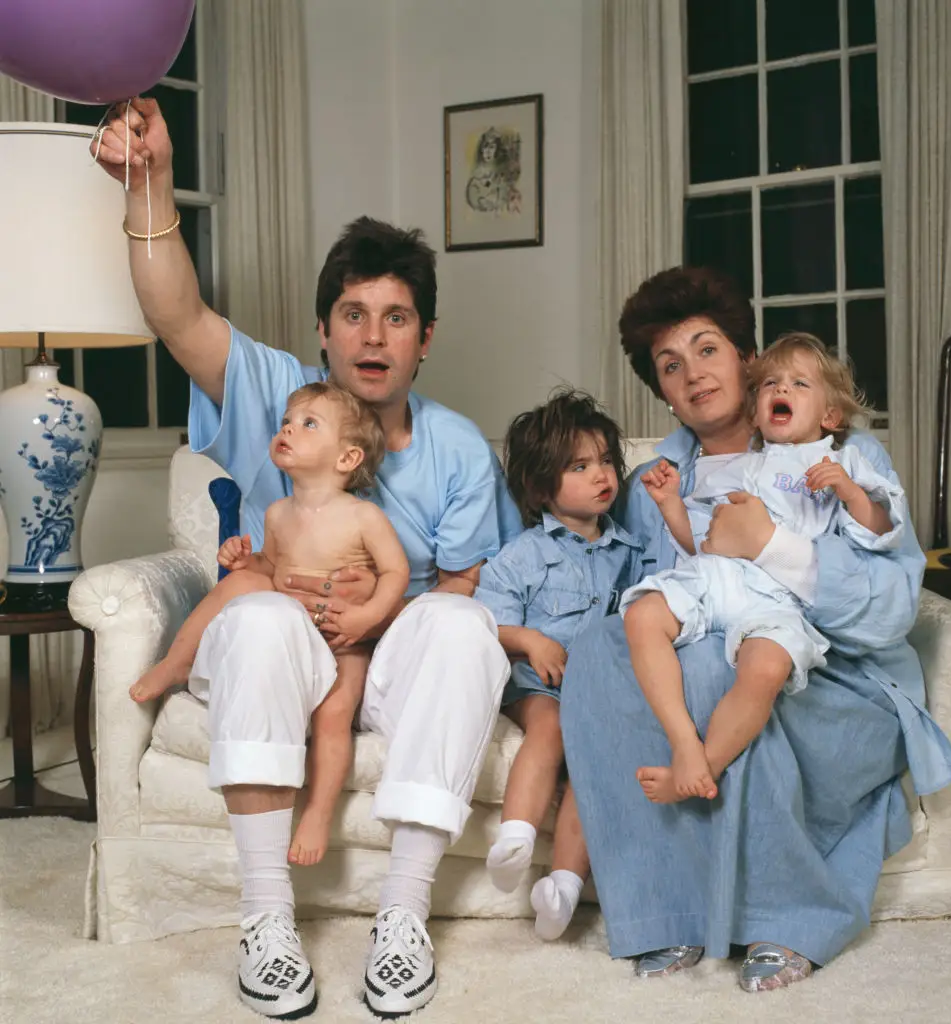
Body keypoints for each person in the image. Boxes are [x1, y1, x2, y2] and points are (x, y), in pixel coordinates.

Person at [93, 98, 522, 1020]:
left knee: (462, 624)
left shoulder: (455, 449)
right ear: (322, 332)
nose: (373, 335)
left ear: (424, 339)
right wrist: (150, 183)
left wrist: (373, 613)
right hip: (277, 652)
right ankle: (264, 920)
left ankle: (402, 917)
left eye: (396, 318)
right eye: (354, 315)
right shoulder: (281, 399)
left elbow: (463, 582)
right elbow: (178, 314)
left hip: (382, 653)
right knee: (251, 612)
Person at [558, 266, 951, 994]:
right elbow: (638, 583)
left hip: (837, 677)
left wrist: (771, 545)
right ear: (660, 391)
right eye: (669, 365)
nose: (692, 374)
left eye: (707, 349)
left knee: (724, 667)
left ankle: (786, 913)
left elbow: (889, 609)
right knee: (598, 647)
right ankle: (664, 909)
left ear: (748, 358)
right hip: (719, 644)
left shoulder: (838, 457)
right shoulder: (661, 477)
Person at [130, 380, 410, 867]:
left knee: (334, 716)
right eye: (286, 422)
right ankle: (178, 662)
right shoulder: (278, 514)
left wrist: (367, 614)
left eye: (307, 424)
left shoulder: (363, 517)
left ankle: (319, 812)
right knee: (238, 587)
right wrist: (243, 559)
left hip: (345, 642)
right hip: (290, 641)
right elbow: (270, 571)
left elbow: (396, 573)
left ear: (346, 459)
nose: (288, 430)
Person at [621, 333, 906, 804]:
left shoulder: (847, 460)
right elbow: (703, 542)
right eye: (771, 383)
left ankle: (703, 767)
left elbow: (880, 530)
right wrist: (671, 505)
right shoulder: (743, 467)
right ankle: (683, 742)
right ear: (756, 411)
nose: (782, 390)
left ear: (830, 416)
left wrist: (851, 493)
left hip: (781, 599)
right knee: (642, 615)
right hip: (726, 578)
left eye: (799, 383)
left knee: (768, 668)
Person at [473, 389, 646, 941]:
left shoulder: (630, 552)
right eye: (580, 465)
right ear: (542, 486)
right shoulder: (523, 554)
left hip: (599, 692)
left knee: (595, 767)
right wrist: (530, 639)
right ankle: (516, 836)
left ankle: (565, 884)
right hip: (538, 686)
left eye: (605, 462)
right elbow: (486, 624)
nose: (601, 475)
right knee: (550, 732)